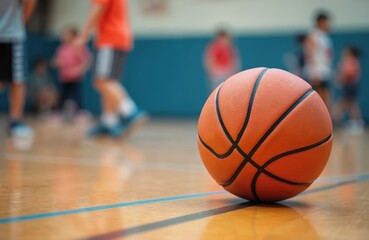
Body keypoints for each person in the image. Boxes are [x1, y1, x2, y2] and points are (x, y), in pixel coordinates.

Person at [75, 0, 146, 137]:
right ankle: (109, 122)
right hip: (119, 37)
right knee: (109, 80)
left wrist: (83, 35)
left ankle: (130, 111)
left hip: (109, 38)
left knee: (101, 80)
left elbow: (99, 7)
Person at [0, 0, 37, 137]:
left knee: (17, 80)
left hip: (12, 34)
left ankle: (15, 121)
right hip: (11, 32)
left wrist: (22, 22)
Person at [53, 26, 90, 113]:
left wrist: (77, 70)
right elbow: (55, 62)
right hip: (64, 77)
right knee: (62, 95)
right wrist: (57, 63)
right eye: (64, 34)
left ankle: (80, 112)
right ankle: (58, 112)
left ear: (73, 36)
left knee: (77, 95)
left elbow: (86, 62)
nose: (64, 36)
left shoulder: (79, 47)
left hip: (76, 78)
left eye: (67, 34)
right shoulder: (61, 49)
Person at [332, 46, 364, 133]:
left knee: (346, 103)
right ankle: (356, 122)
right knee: (350, 103)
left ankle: (333, 120)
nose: (344, 51)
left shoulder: (349, 60)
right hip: (351, 85)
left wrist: (340, 79)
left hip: (349, 85)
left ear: (350, 52)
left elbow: (348, 72)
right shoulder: (352, 60)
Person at [305, 12, 333, 107]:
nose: (328, 25)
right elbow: (309, 53)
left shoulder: (325, 37)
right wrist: (314, 72)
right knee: (318, 100)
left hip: (324, 72)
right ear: (321, 22)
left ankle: (325, 120)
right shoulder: (314, 35)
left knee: (326, 98)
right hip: (317, 73)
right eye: (326, 22)